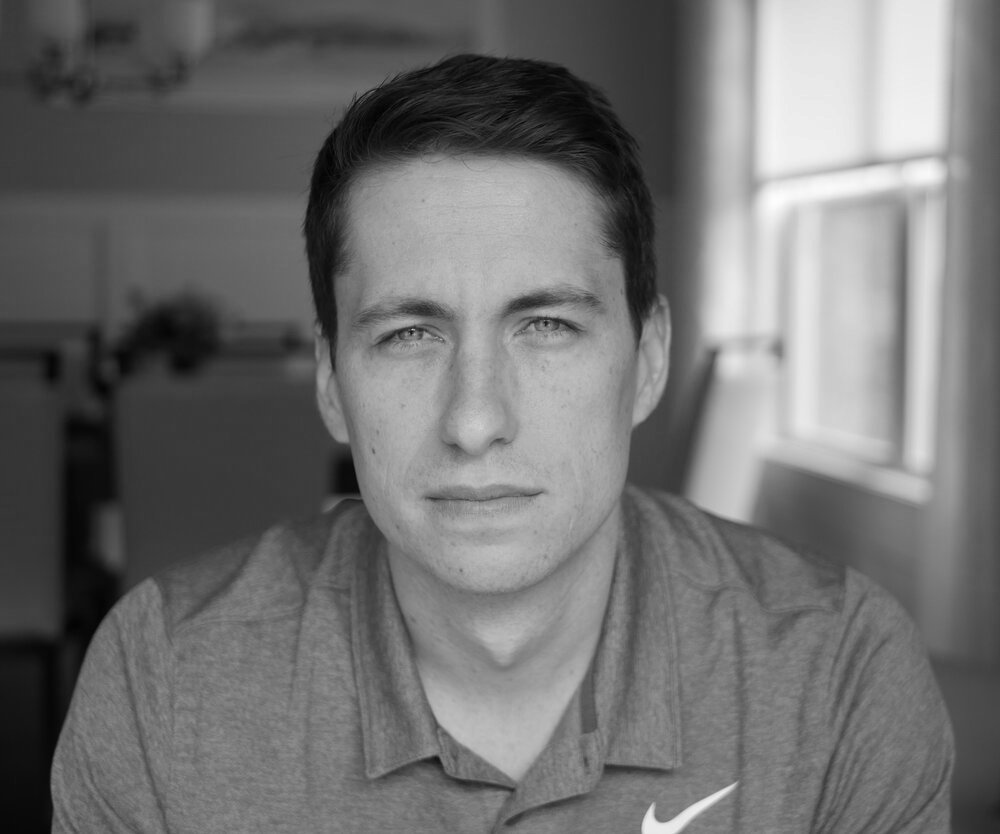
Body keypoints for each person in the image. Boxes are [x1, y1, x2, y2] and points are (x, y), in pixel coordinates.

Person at [51, 54, 953, 832]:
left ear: (647, 361)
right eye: (410, 335)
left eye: (547, 325)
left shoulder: (837, 673)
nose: (476, 420)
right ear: (331, 383)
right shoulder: (163, 681)